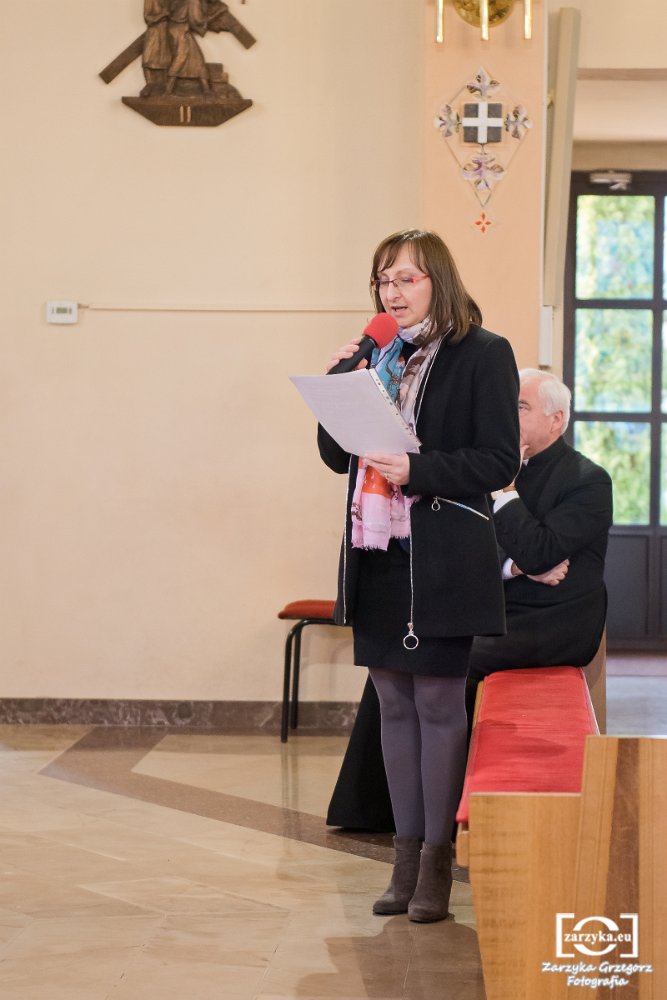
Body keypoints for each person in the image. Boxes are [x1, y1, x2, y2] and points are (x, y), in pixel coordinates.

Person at [318, 228, 520, 922]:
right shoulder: (376, 357)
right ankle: (402, 862)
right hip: (377, 553)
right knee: (392, 705)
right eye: (383, 280)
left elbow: (499, 461)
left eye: (406, 278)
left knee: (437, 705)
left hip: (443, 555)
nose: (392, 292)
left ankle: (437, 862)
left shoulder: (483, 353)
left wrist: (420, 469)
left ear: (439, 281)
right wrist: (343, 380)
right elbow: (335, 455)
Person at [466, 368, 613, 704]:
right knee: (405, 653)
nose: (507, 414)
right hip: (495, 611)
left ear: (555, 420)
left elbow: (539, 553)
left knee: (445, 659)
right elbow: (467, 545)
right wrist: (515, 567)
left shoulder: (589, 480)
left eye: (520, 407)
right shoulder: (489, 469)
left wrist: (506, 490)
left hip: (555, 623)